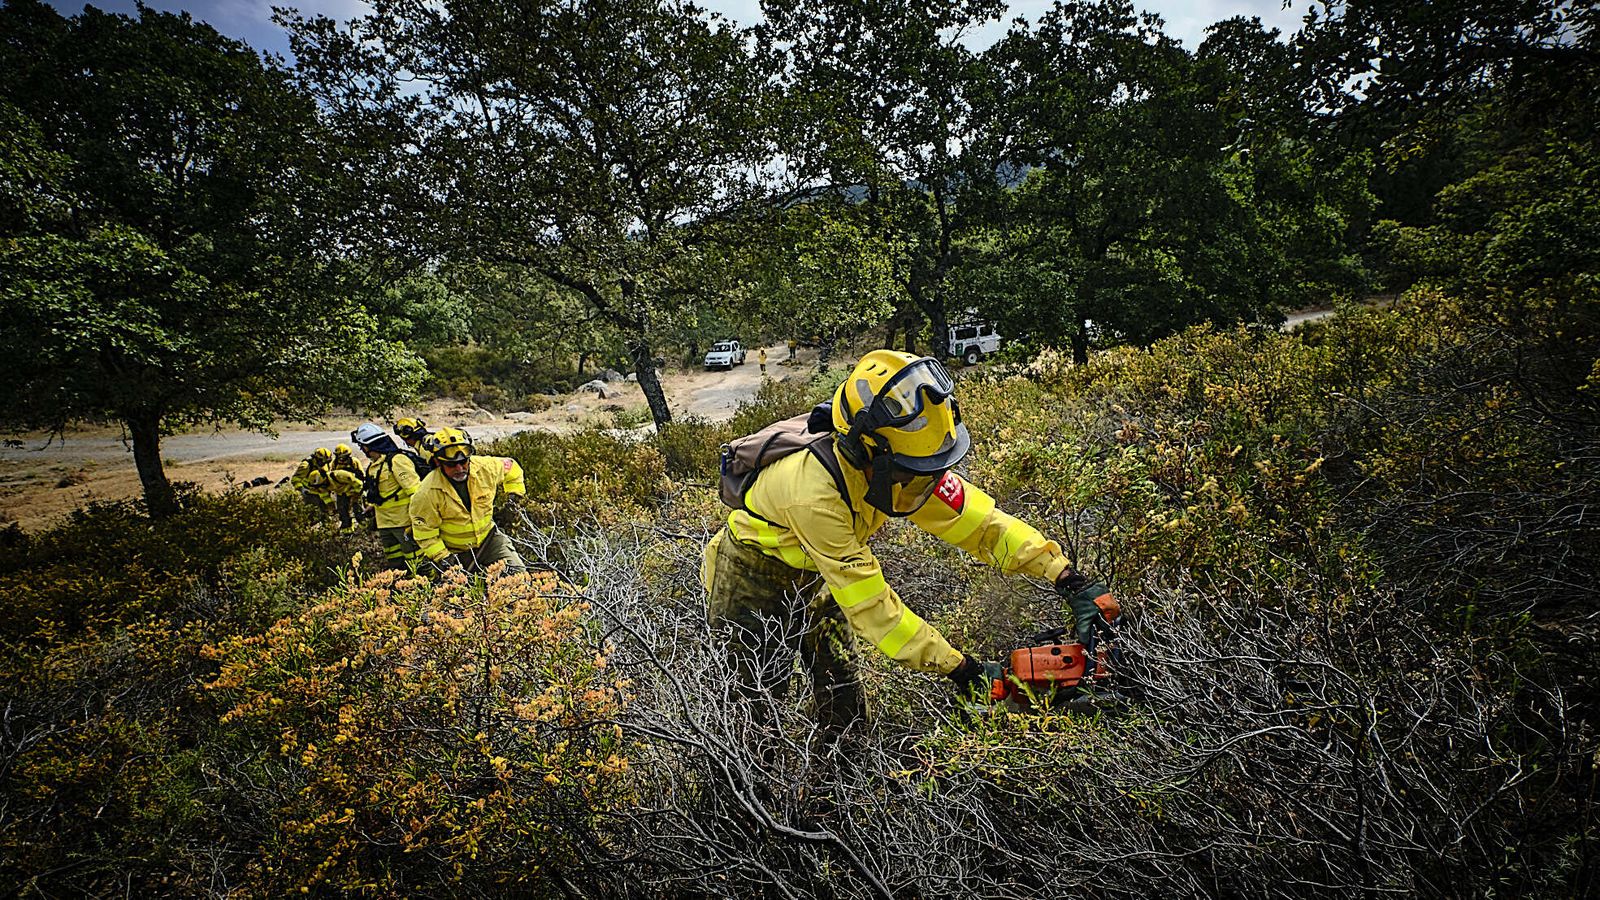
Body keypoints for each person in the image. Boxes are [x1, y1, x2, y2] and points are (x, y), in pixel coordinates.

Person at [702, 349, 1118, 734]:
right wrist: (960, 668)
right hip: (753, 578)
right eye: (915, 472)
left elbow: (981, 525)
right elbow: (874, 609)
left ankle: (839, 790)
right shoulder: (814, 494)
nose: (927, 482)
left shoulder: (901, 467)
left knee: (843, 696)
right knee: (750, 706)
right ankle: (742, 805)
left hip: (820, 574)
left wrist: (1066, 577)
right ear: (870, 452)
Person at [408, 427, 529, 576]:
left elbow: (512, 468)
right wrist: (443, 558)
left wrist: (513, 501)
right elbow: (425, 533)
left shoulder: (486, 468)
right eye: (452, 464)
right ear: (438, 462)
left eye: (463, 462)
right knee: (460, 595)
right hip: (455, 551)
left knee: (519, 578)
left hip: (490, 540)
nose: (459, 468)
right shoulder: (426, 493)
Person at [352, 422, 422, 570]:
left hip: (403, 523)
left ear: (368, 445)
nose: (361, 449)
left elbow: (416, 492)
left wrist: (417, 521)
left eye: (361, 446)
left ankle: (424, 586)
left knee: (415, 559)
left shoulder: (397, 461)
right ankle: (401, 585)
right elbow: (384, 493)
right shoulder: (375, 465)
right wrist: (373, 506)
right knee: (394, 559)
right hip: (385, 523)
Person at [290, 447, 336, 520]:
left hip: (323, 491)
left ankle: (327, 527)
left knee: (326, 512)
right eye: (322, 461)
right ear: (316, 458)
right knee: (314, 514)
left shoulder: (326, 463)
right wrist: (302, 489)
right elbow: (295, 479)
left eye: (327, 461)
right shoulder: (306, 465)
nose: (324, 463)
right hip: (309, 492)